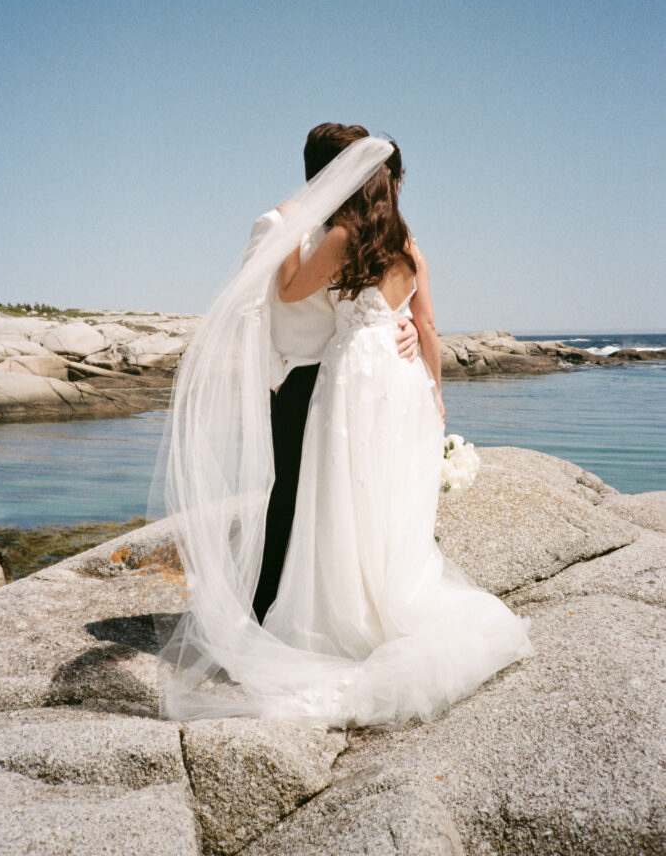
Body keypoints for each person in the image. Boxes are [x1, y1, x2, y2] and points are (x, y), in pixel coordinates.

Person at [152, 132, 532, 729]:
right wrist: (436, 393)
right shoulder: (406, 241)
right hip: (389, 380)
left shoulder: (342, 236)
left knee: (335, 491)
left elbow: (291, 288)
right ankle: (374, 596)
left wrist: (291, 244)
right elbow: (424, 322)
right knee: (368, 490)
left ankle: (326, 611)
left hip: (352, 372)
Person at [245, 123, 419, 624]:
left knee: (342, 496)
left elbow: (377, 291)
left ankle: (335, 606)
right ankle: (265, 609)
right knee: (292, 497)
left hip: (347, 376)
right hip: (296, 376)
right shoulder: (276, 223)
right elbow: (252, 309)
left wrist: (399, 325)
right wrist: (268, 377)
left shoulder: (348, 227)